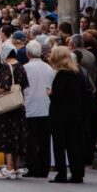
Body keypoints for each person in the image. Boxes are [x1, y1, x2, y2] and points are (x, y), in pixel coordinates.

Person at [48, 46, 87, 183]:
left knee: (60, 146)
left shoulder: (61, 75)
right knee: (74, 145)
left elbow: (57, 95)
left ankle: (61, 173)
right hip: (75, 115)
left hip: (60, 116)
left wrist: (50, 93)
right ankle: (77, 173)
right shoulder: (78, 73)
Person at [0, 50, 30, 179]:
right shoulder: (21, 67)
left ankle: (9, 167)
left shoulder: (7, 67)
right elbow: (24, 85)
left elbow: (2, 87)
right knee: (16, 135)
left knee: (7, 135)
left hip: (7, 108)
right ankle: (16, 167)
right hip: (18, 105)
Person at [22, 40, 55, 178]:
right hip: (45, 107)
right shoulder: (48, 68)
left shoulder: (25, 68)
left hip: (30, 106)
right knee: (44, 140)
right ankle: (44, 167)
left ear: (28, 53)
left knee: (31, 140)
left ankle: (33, 167)